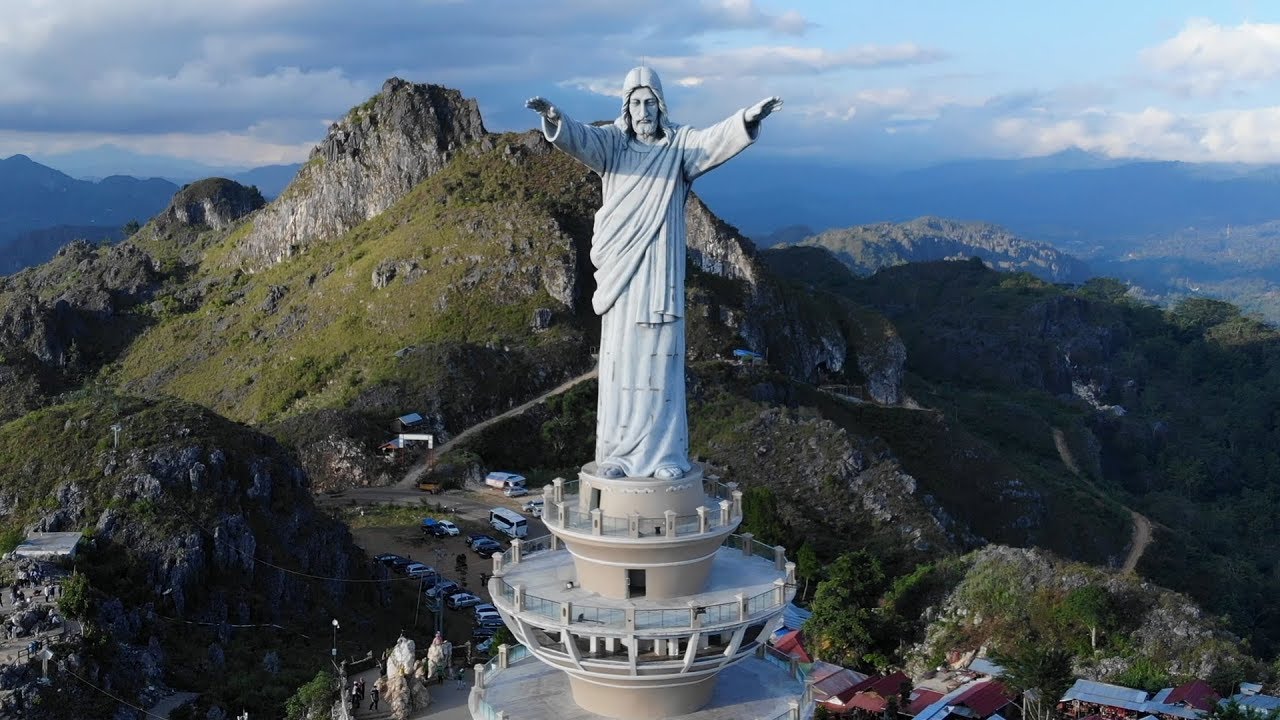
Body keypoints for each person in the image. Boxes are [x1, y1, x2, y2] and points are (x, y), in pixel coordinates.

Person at [527, 67, 781, 479]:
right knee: (621, 362)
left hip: (660, 276)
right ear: (625, 108)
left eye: (649, 102)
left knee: (660, 363)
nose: (643, 110)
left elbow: (712, 141)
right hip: (622, 275)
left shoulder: (679, 145)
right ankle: (616, 455)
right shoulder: (612, 143)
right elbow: (581, 140)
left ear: (660, 106)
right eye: (635, 103)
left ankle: (664, 456)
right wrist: (556, 120)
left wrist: (745, 120)